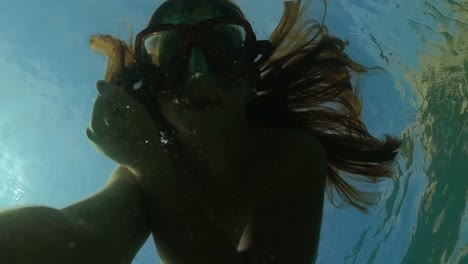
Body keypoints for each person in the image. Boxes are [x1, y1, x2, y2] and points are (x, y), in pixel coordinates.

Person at [0, 0, 402, 263]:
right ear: (153, 89)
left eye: (223, 49)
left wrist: (150, 165)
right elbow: (82, 237)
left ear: (250, 80)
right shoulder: (137, 174)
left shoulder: (288, 153)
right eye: (171, 55)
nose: (196, 72)